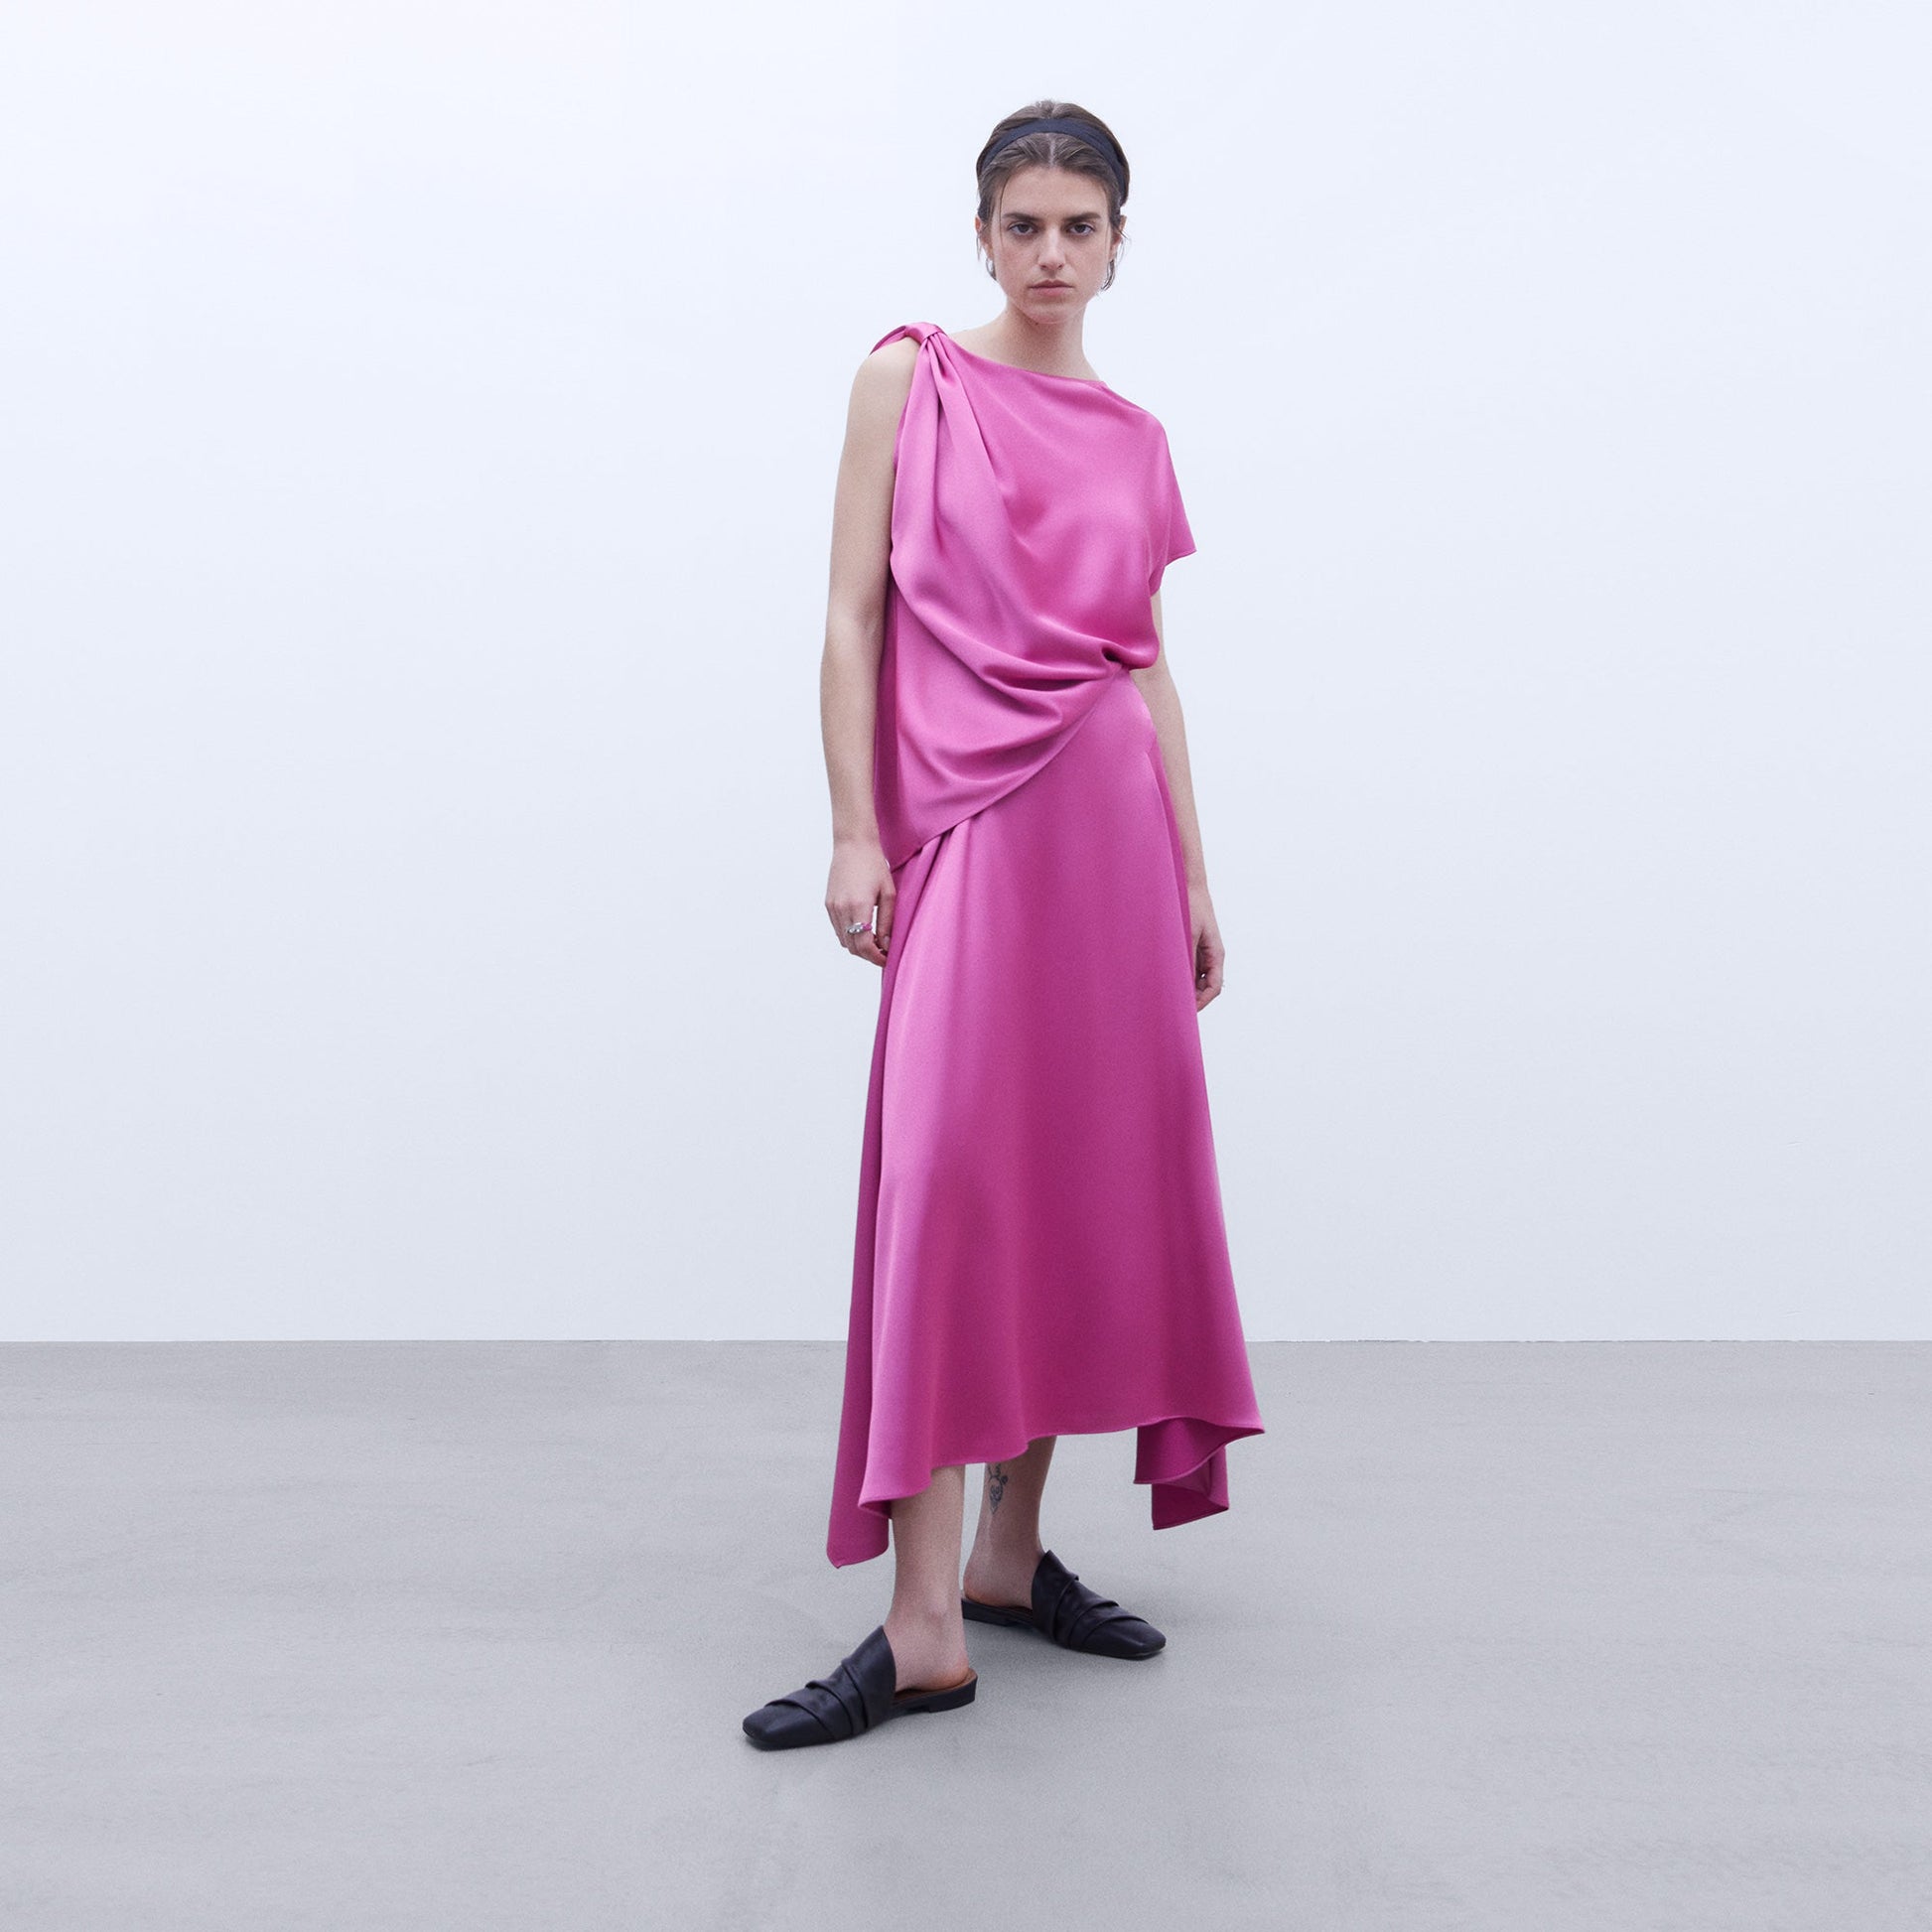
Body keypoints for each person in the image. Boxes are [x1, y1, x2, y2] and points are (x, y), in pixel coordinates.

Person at [742, 102, 1265, 1751]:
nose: (1049, 252)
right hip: (966, 823)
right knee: (951, 1179)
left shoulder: (1134, 435)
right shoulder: (908, 380)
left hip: (1109, 836)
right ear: (980, 235)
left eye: (1078, 226)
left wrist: (1192, 872)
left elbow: (1142, 664)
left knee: (1068, 1181)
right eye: (1022, 223)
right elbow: (850, 615)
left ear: (1118, 244)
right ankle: (917, 1625)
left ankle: (1003, 1558)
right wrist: (852, 825)